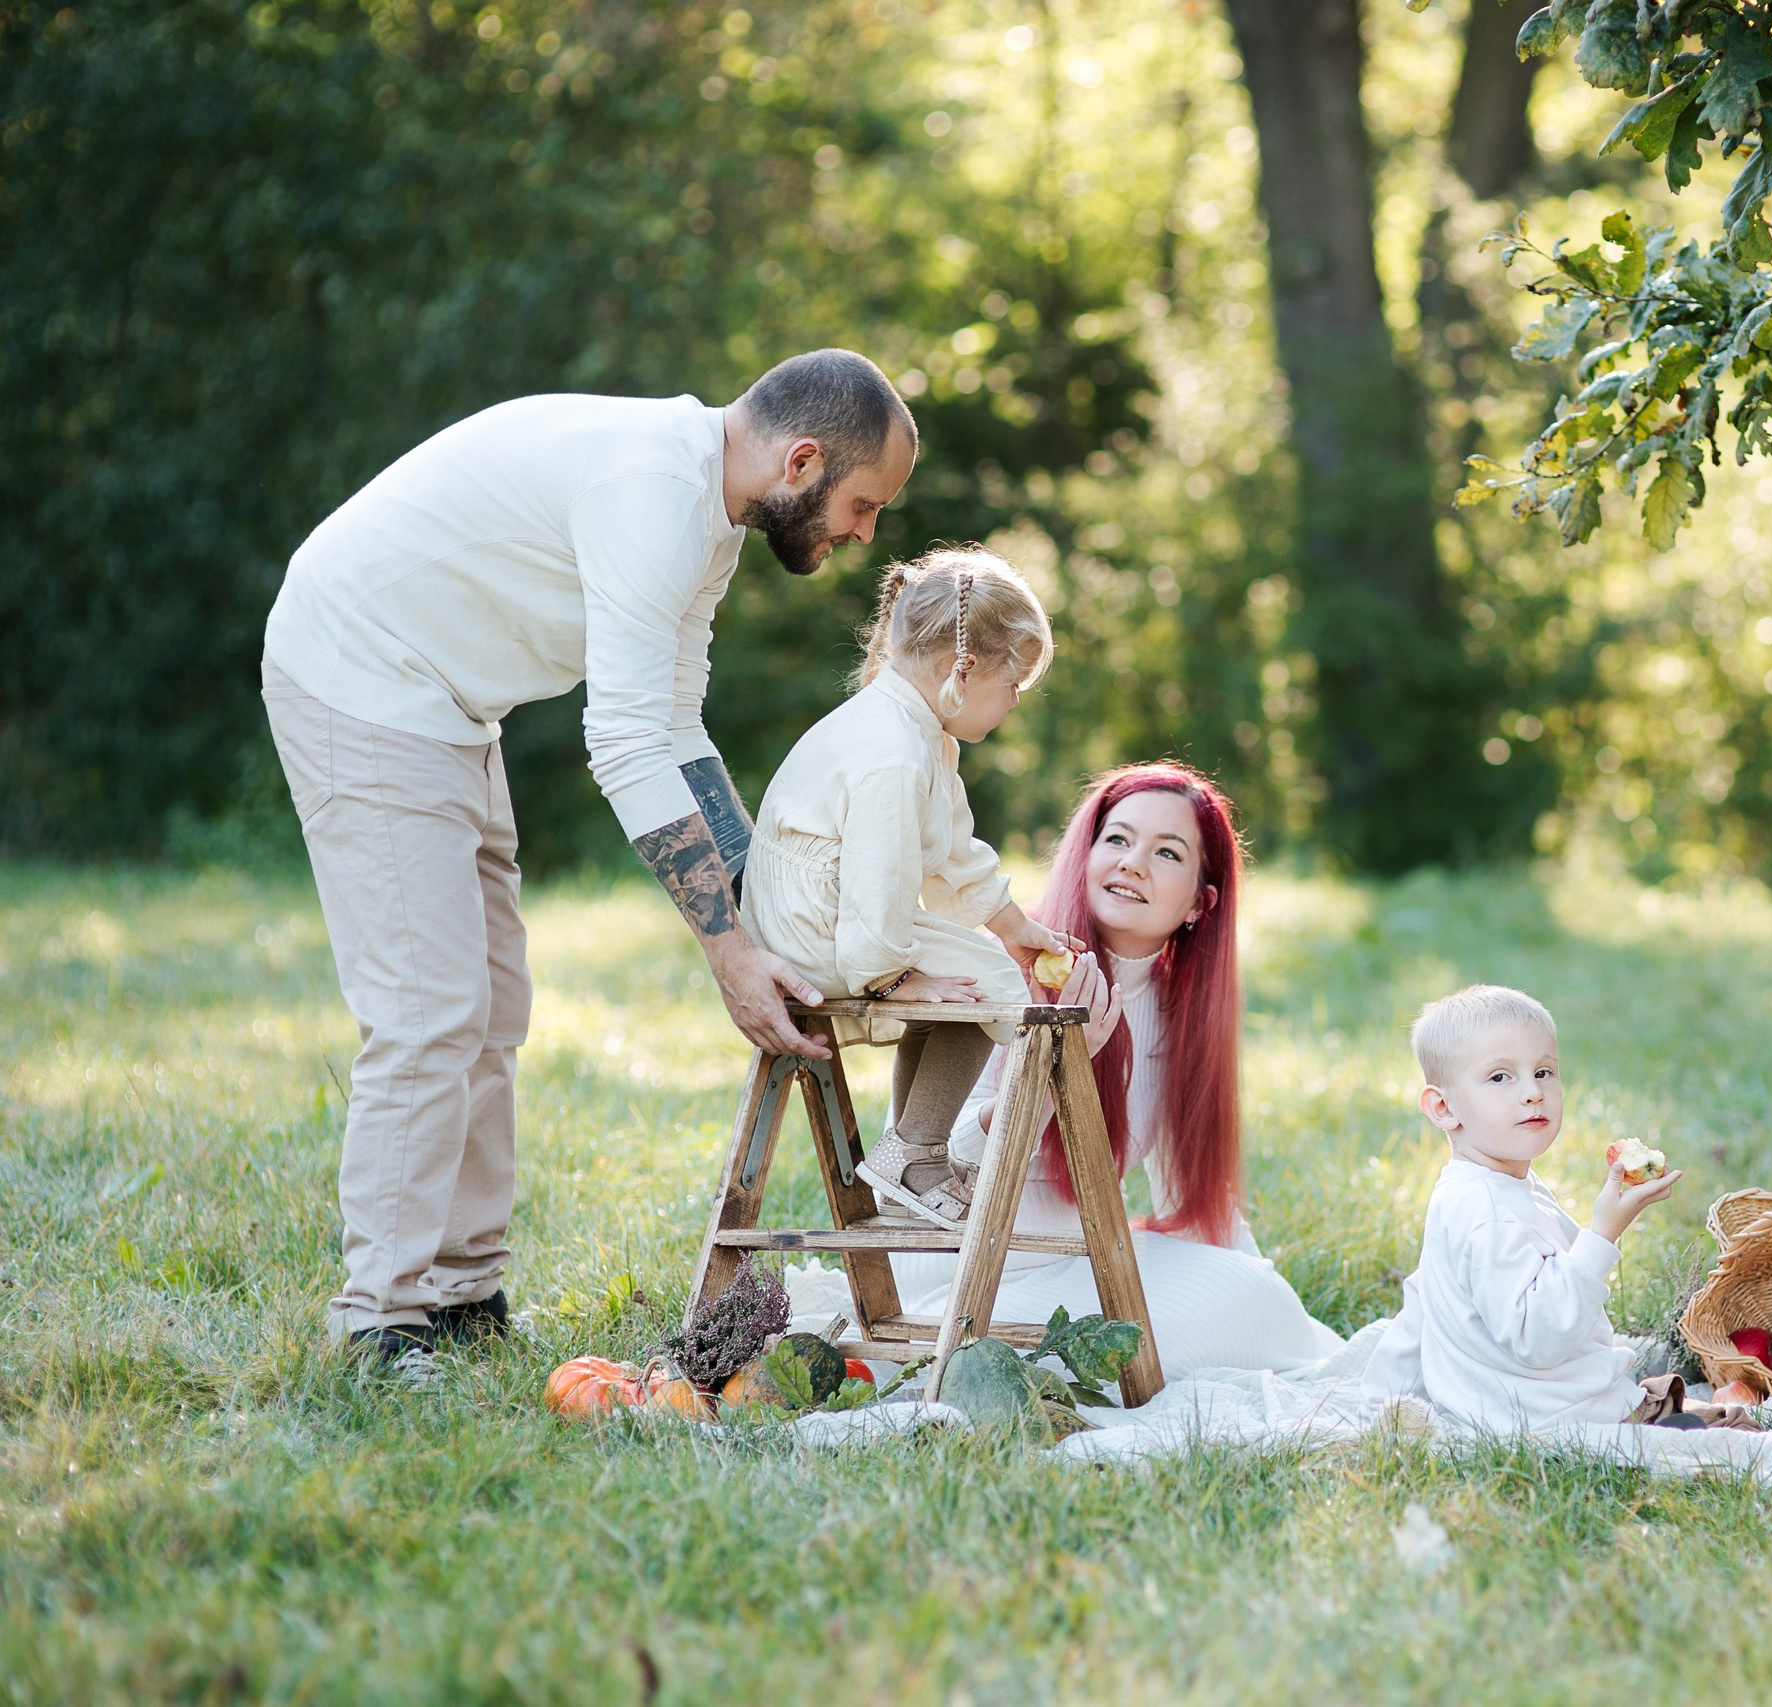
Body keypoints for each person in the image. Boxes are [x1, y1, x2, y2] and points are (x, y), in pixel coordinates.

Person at [263, 349, 916, 1364]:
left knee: (493, 1004)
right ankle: (378, 1321)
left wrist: (768, 902)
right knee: (429, 1010)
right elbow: (621, 745)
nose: (864, 533)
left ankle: (463, 1293)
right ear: (802, 462)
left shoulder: (710, 517)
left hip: (445, 709)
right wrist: (729, 955)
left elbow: (676, 724)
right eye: (865, 504)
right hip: (359, 675)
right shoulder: (654, 499)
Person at [885, 762, 1347, 1377]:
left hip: (1071, 1262)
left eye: (1168, 853)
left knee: (1255, 1298)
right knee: (1232, 1310)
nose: (1133, 863)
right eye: (1119, 840)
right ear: (1088, 854)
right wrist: (1053, 1072)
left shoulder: (1180, 1013)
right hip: (951, 1274)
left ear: (1199, 903)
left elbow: (1197, 1202)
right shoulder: (998, 969)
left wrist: (1253, 1280)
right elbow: (927, 1161)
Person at [739, 547, 1074, 1227]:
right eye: (1015, 686)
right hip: (816, 928)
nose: (1014, 704)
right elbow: (876, 888)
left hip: (827, 916)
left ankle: (912, 1147)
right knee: (986, 985)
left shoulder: (920, 733)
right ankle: (916, 1152)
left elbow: (952, 854)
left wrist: (1013, 925)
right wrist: (890, 979)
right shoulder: (892, 752)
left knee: (966, 966)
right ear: (964, 668)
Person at [1360, 985, 1721, 1431]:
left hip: (1522, 1402)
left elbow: (1426, 1309)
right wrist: (1601, 1235)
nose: (1532, 1091)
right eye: (1500, 1077)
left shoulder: (1487, 1185)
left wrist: (1384, 1398)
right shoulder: (1487, 1210)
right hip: (1550, 1416)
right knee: (1734, 1431)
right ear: (1443, 1107)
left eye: (1544, 1071)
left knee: (1695, 1400)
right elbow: (1538, 1337)